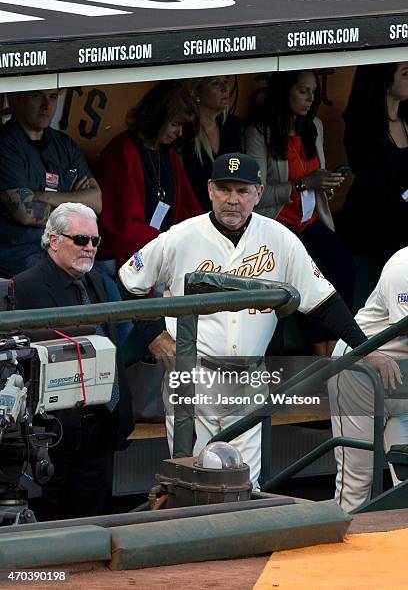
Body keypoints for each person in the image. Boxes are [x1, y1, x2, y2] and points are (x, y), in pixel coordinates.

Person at [118, 152, 399, 490]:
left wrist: (365, 348)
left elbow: (325, 302)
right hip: (194, 376)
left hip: (249, 378)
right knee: (194, 485)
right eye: (224, 189)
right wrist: (156, 337)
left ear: (259, 192)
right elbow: (127, 280)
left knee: (246, 485)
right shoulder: (181, 236)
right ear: (209, 190)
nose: (232, 199)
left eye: (242, 190)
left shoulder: (279, 238)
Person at [12, 203, 133, 521]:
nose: (90, 248)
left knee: (92, 523)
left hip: (99, 428)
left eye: (95, 241)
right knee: (48, 526)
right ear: (53, 240)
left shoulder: (100, 281)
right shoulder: (22, 288)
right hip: (50, 435)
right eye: (81, 240)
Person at [245, 70, 355, 356]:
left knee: (343, 264)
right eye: (303, 91)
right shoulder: (260, 131)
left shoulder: (313, 125)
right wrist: (303, 184)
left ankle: (338, 349)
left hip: (310, 221)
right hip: (279, 224)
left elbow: (315, 179)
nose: (311, 99)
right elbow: (256, 194)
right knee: (311, 272)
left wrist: (325, 184)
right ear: (285, 91)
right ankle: (322, 354)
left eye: (314, 92)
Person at [329, 246, 408, 513]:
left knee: (405, 482)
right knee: (357, 482)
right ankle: (340, 550)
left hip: (401, 379)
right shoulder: (403, 265)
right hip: (360, 370)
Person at [97, 80, 202, 270]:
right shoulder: (124, 152)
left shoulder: (167, 155)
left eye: (183, 128)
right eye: (175, 124)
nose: (179, 133)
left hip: (161, 252)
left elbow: (188, 211)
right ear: (158, 116)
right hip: (126, 262)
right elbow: (121, 228)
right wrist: (168, 242)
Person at [0, 89, 101, 277]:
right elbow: (26, 212)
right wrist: (76, 205)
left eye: (53, 97)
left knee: (104, 283)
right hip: (20, 253)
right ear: (16, 98)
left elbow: (96, 202)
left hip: (66, 248)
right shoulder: (5, 144)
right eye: (37, 95)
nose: (47, 105)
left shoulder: (64, 145)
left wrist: (42, 196)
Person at [338, 62, 408, 260]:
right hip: (373, 229)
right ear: (385, 79)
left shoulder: (405, 120)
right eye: (405, 73)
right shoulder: (363, 128)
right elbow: (376, 186)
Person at [182, 75, 243, 211]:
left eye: (225, 82)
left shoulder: (232, 127)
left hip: (232, 211)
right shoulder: (185, 133)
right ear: (196, 92)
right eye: (215, 83)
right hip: (196, 215)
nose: (224, 89)